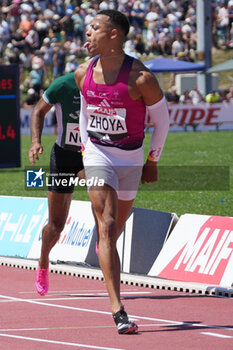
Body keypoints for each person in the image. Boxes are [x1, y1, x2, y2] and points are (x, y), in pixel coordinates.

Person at [75, 9, 169, 334]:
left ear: (114, 35)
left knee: (113, 231)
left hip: (131, 159)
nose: (88, 34)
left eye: (94, 28)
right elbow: (84, 116)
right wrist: (87, 150)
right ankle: (118, 310)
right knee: (109, 222)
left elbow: (162, 121)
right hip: (99, 153)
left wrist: (152, 161)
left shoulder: (141, 78)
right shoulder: (81, 72)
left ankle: (103, 250)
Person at [28, 72, 84, 297]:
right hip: (64, 157)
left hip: (91, 155)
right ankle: (43, 262)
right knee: (56, 227)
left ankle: (105, 239)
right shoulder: (63, 84)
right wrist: (35, 142)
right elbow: (39, 110)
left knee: (102, 196)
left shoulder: (106, 83)